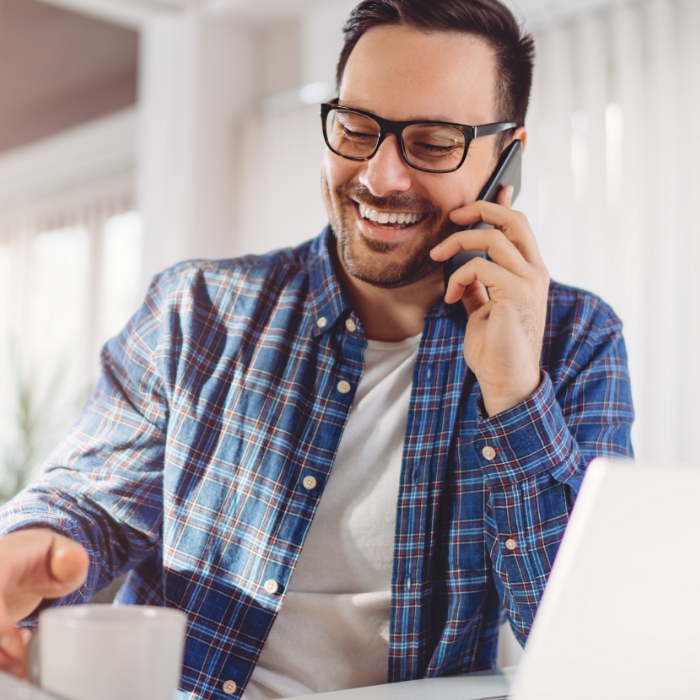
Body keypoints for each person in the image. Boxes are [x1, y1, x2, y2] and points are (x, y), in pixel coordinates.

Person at [0, 0, 634, 698]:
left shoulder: (574, 340)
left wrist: (515, 393)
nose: (380, 177)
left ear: (506, 152)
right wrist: (28, 550)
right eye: (357, 130)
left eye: (431, 143)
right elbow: (88, 502)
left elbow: (587, 638)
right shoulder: (197, 311)